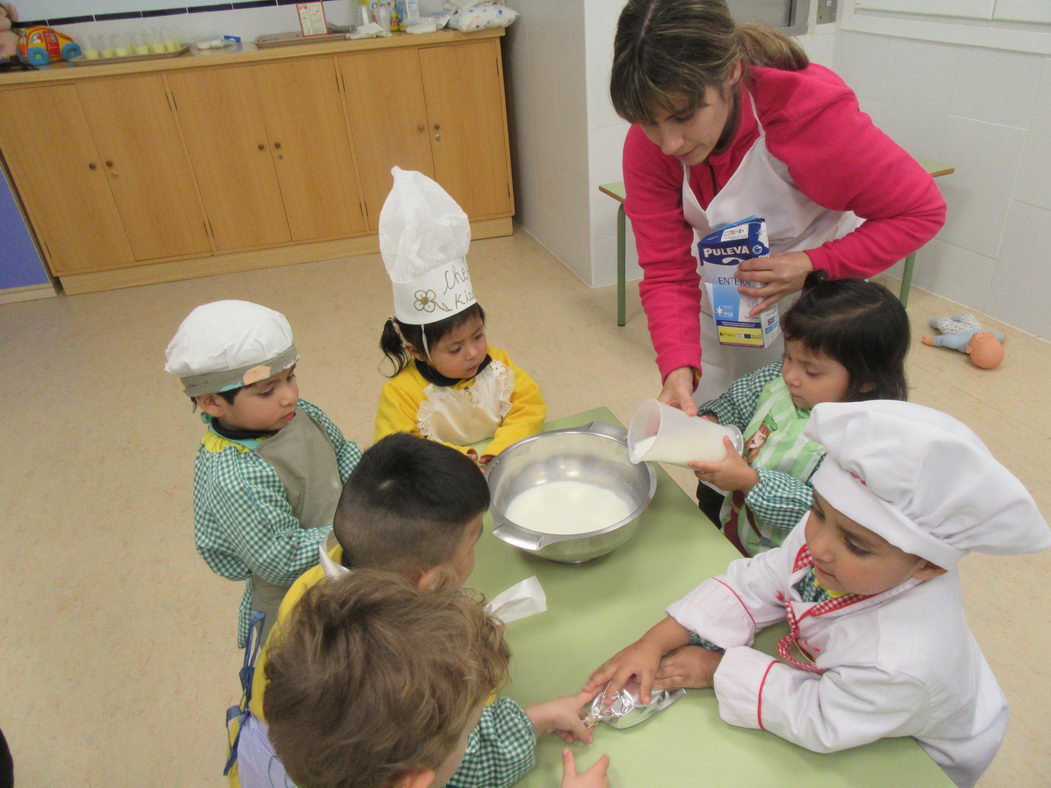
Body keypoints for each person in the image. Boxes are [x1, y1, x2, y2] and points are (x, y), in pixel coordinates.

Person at [585, 400, 1051, 787]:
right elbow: (759, 580)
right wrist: (655, 641)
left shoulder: (903, 661)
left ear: (927, 565)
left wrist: (718, 668)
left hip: (913, 745)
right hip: (859, 690)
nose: (819, 546)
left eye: (856, 544)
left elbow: (821, 715)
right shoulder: (834, 546)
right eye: (819, 512)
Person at [611, 0, 946, 406]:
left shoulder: (810, 120)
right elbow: (666, 270)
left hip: (814, 306)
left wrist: (811, 265)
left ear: (731, 74)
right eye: (649, 121)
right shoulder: (649, 148)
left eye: (683, 116)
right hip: (724, 292)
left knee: (796, 435)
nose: (669, 143)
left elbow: (920, 211)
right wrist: (678, 365)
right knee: (721, 414)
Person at [233, 433, 608, 787]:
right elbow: (460, 758)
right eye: (473, 543)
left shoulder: (311, 595)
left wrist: (536, 718)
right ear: (430, 581)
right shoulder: (403, 678)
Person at [165, 300, 361, 647]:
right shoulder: (235, 475)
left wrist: (370, 494)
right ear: (212, 402)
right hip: (300, 603)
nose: (289, 396)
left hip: (349, 557)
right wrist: (360, 530)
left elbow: (342, 452)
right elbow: (281, 559)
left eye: (291, 377)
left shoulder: (300, 413)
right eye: (267, 391)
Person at [692, 273, 909, 555]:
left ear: (867, 380)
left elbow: (823, 515)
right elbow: (737, 404)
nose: (790, 375)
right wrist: (715, 420)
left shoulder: (865, 445)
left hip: (794, 565)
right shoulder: (775, 381)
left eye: (812, 372)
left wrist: (751, 482)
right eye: (788, 357)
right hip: (737, 532)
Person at [374, 167, 545, 464]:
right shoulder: (401, 394)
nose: (474, 353)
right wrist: (460, 461)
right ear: (418, 352)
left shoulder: (499, 366)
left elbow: (529, 409)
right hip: (444, 481)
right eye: (454, 348)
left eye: (478, 336)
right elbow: (400, 448)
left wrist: (498, 450)